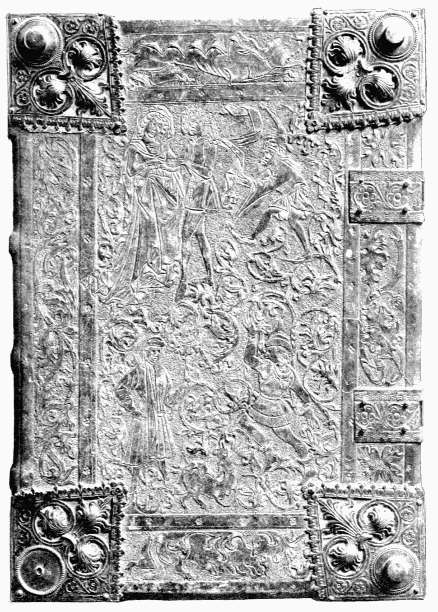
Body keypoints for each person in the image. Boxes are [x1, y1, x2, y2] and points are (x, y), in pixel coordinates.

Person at [106, 107, 184, 301]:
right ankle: (135, 279)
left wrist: (169, 166)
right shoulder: (136, 146)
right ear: (145, 124)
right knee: (145, 236)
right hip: (144, 196)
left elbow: (172, 164)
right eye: (153, 125)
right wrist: (149, 165)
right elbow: (131, 170)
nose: (156, 129)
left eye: (159, 126)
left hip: (162, 196)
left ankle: (156, 271)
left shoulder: (162, 146)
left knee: (160, 236)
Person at [115, 336, 175, 496]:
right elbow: (121, 388)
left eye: (158, 352)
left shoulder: (163, 372)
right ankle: (133, 486)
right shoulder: (140, 371)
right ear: (146, 352)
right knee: (139, 454)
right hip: (144, 417)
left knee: (160, 454)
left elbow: (169, 396)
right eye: (152, 351)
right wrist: (132, 407)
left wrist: (178, 396)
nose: (155, 354)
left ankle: (166, 484)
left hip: (159, 417)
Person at [243, 330, 310, 458]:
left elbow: (249, 359)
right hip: (277, 408)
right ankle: (295, 445)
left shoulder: (269, 367)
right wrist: (306, 403)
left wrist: (252, 337)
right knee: (284, 432)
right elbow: (301, 392)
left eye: (271, 351)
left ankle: (269, 447)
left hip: (263, 405)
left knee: (244, 421)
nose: (268, 353)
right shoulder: (288, 372)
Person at [175, 121, 221, 301]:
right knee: (200, 235)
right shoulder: (192, 143)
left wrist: (187, 164)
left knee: (186, 235)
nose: (189, 129)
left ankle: (184, 279)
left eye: (193, 125)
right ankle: (210, 276)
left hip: (199, 193)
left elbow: (207, 172)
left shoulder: (209, 146)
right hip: (193, 191)